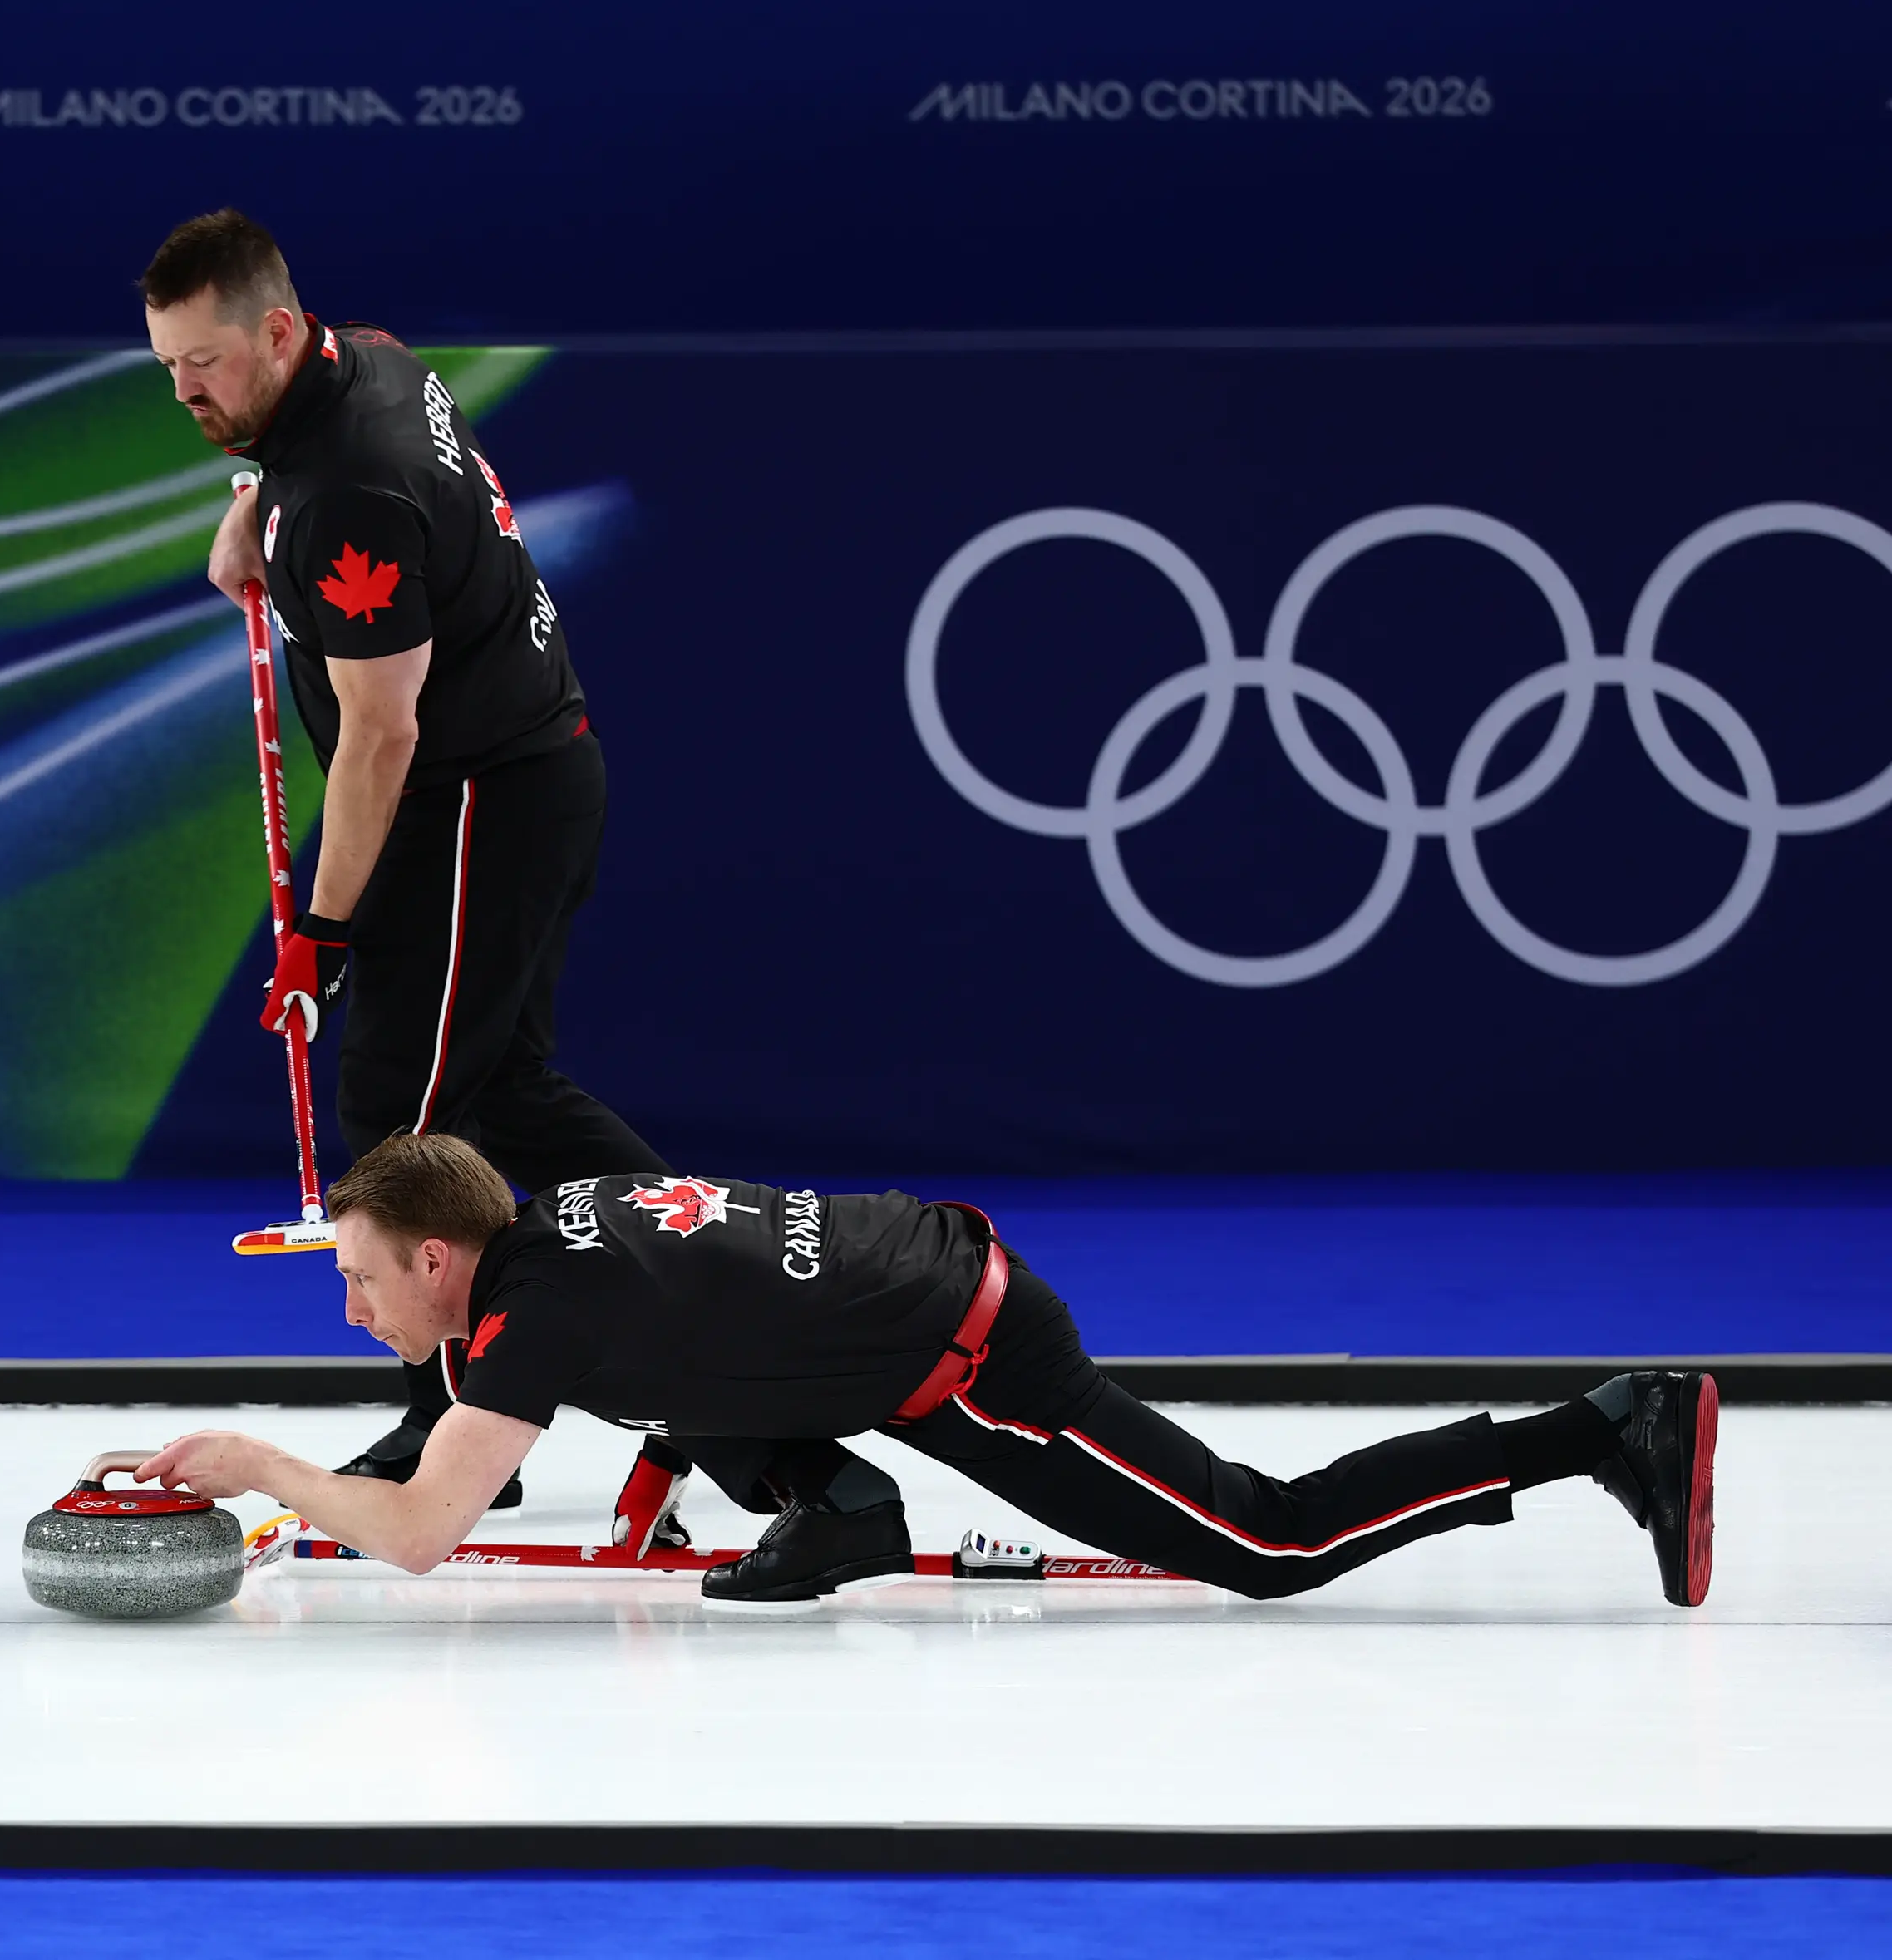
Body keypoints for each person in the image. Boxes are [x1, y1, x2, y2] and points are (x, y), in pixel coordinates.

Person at [141, 1135, 1719, 1610]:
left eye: (357, 1276)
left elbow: (426, 1531)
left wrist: (261, 1468)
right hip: (894, 1284)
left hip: (971, 1354)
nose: (346, 1306)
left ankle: (1602, 1427)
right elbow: (675, 1340)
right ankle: (844, 1508)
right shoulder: (545, 1222)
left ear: (437, 1260)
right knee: (679, 1389)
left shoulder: (532, 1321)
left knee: (1267, 1538)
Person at [142, 208, 701, 1524]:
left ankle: (453, 1436)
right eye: (167, 367)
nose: (185, 392)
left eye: (205, 364)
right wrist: (256, 512)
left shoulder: (351, 486)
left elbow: (381, 735)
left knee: (402, 1117)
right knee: (505, 1095)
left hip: (473, 805)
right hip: (524, 776)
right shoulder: (368, 362)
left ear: (280, 333)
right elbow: (328, 484)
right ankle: (703, 1291)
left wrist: (321, 931)